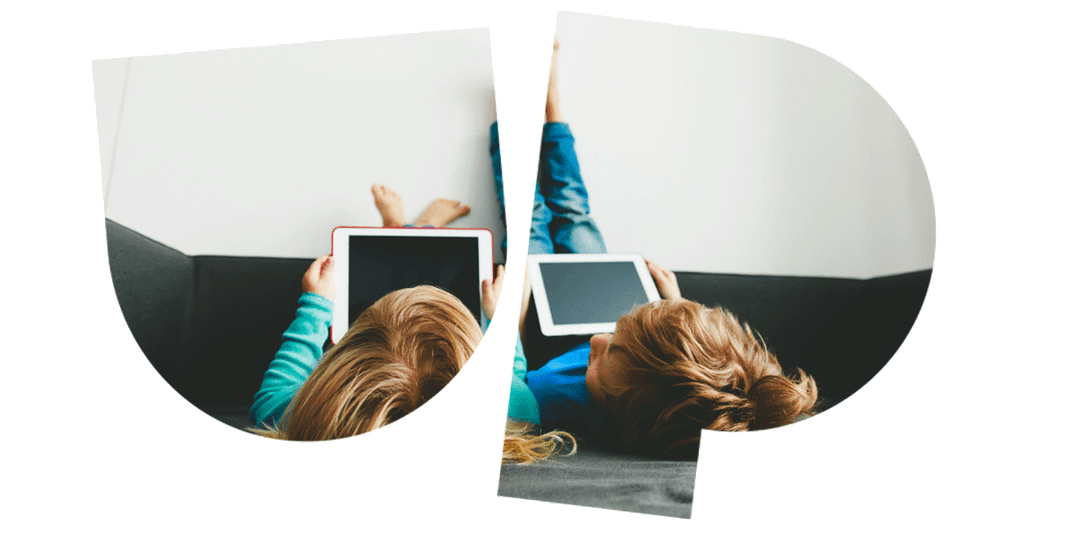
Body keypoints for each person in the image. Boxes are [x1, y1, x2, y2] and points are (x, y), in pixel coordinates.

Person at [505, 40, 818, 461]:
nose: (598, 337)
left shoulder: (551, 402)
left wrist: (516, 312)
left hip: (546, 323)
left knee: (531, 219)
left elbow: (513, 382)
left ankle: (509, 122)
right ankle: (554, 111)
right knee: (576, 215)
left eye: (605, 358)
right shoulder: (664, 388)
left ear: (621, 413)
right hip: (610, 311)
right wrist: (676, 303)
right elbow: (719, 373)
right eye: (617, 332)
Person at [250, 186, 506, 441]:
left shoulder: (308, 413)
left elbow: (272, 393)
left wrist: (315, 305)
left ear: (345, 360)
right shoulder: (507, 410)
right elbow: (511, 376)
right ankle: (414, 228)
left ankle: (404, 228)